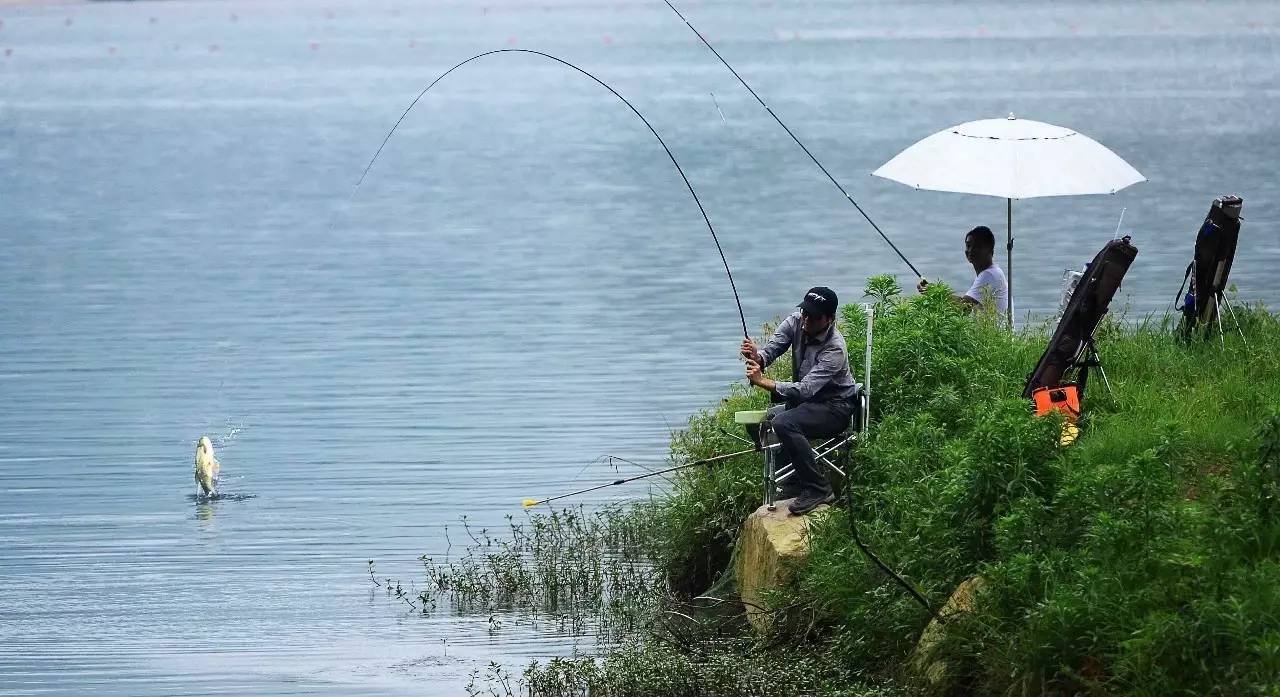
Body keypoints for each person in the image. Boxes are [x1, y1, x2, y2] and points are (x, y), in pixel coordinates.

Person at [739, 286, 859, 515]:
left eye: (814, 316)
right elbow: (770, 351)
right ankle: (793, 481)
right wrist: (757, 357)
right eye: (805, 312)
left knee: (784, 423)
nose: (807, 319)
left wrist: (762, 381)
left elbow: (804, 390)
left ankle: (818, 488)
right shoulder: (795, 321)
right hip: (806, 405)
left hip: (835, 408)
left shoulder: (835, 348)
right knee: (760, 423)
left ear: (830, 318)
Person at [917, 225, 1008, 315]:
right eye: (968, 246)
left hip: (991, 326)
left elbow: (963, 307)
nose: (970, 250)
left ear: (990, 251)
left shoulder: (989, 275)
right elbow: (965, 303)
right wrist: (933, 290)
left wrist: (934, 292)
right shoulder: (994, 272)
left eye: (977, 247)